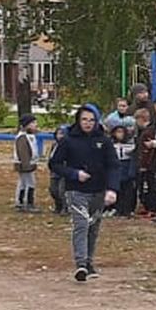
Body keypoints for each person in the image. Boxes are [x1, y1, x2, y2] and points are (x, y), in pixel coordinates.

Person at [48, 105, 117, 282]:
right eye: (84, 120)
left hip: (98, 190)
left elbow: (113, 166)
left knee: (93, 226)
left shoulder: (104, 141)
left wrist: (112, 189)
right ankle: (80, 263)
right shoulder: (68, 140)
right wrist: (74, 174)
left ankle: (89, 261)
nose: (88, 123)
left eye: (91, 120)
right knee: (81, 225)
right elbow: (55, 163)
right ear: (79, 120)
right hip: (75, 190)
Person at [13, 115, 39, 212]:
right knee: (29, 183)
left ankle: (21, 202)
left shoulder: (30, 136)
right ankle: (27, 202)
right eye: (33, 123)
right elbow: (23, 153)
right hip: (25, 166)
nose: (35, 125)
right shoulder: (22, 138)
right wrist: (27, 165)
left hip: (29, 165)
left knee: (23, 183)